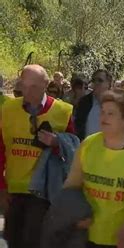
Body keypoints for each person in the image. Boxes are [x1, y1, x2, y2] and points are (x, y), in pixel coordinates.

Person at [64, 89, 124, 248]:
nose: (104, 117)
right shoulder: (88, 145)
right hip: (86, 235)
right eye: (102, 112)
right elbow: (71, 185)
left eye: (111, 113)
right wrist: (74, 212)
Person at [0, 64, 75, 248]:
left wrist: (57, 143)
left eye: (33, 87)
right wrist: (1, 188)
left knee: (32, 241)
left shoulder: (63, 111)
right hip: (13, 191)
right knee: (13, 240)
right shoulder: (8, 109)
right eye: (23, 86)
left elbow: (74, 151)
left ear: (46, 85)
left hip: (43, 192)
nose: (27, 92)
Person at [75, 69, 113, 140]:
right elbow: (78, 127)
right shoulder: (84, 102)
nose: (96, 83)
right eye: (94, 80)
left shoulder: (116, 103)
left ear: (109, 84)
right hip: (86, 146)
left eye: (100, 80)